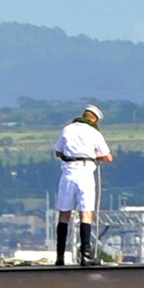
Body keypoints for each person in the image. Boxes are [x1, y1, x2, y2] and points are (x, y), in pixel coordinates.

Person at [52, 104, 114, 265]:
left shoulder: (67, 129)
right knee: (86, 214)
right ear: (94, 119)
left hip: (68, 174)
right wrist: (95, 155)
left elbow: (58, 151)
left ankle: (60, 256)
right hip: (85, 174)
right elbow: (108, 157)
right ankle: (85, 256)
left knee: (64, 214)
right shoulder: (94, 132)